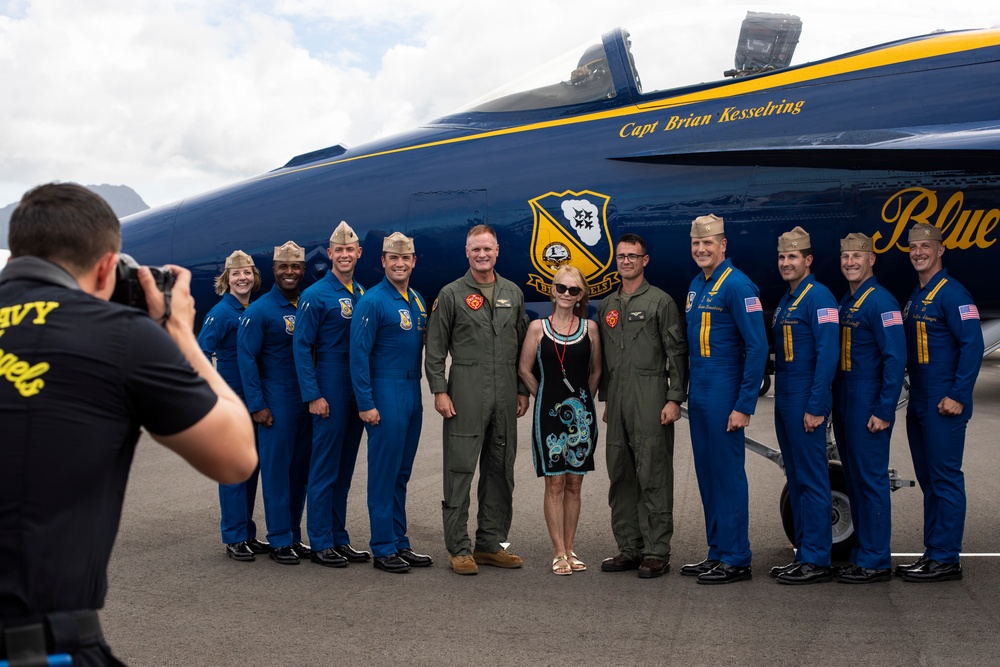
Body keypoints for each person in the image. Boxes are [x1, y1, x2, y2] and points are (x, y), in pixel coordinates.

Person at [0, 183, 255, 666]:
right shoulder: (118, 336)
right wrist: (178, 331)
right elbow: (236, 456)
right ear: (105, 269)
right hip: (38, 645)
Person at [424, 224, 529, 576]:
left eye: (487, 248)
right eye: (475, 249)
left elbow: (521, 348)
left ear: (497, 250)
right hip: (466, 390)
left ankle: (492, 544)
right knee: (460, 470)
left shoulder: (513, 293)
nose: (482, 254)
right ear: (466, 253)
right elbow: (435, 348)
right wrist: (439, 390)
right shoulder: (451, 294)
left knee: (500, 471)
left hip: (504, 392)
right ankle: (459, 548)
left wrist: (521, 389)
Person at [597, 234, 688, 579]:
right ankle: (629, 547)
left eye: (633, 256)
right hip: (618, 396)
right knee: (620, 474)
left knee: (653, 473)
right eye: (621, 256)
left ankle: (656, 551)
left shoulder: (660, 302)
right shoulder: (608, 305)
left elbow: (676, 351)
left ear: (645, 260)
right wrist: (607, 398)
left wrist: (674, 398)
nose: (626, 262)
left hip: (651, 393)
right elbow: (605, 357)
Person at [682, 214, 767, 585]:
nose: (702, 249)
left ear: (723, 245)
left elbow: (758, 347)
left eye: (709, 243)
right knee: (707, 475)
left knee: (729, 476)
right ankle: (716, 551)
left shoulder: (739, 286)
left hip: (724, 389)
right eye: (696, 244)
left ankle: (738, 557)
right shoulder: (696, 285)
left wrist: (745, 404)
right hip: (699, 391)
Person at [898, 223, 984, 583]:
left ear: (940, 249)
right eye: (914, 247)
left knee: (945, 478)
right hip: (919, 398)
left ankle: (946, 558)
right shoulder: (916, 296)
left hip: (943, 400)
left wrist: (958, 395)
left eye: (925, 247)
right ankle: (933, 552)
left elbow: (973, 345)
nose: (919, 252)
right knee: (930, 480)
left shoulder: (954, 294)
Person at [350, 232, 432, 574]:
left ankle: (399, 540)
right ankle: (382, 546)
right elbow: (358, 354)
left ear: (414, 261)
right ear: (383, 262)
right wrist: (366, 403)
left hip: (412, 393)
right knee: (384, 474)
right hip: (385, 392)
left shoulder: (416, 299)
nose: (400, 263)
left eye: (406, 258)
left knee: (401, 473)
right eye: (392, 258)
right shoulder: (372, 301)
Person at [293, 221, 370, 568]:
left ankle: (339, 538)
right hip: (329, 384)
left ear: (358, 254)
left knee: (344, 468)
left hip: (355, 388)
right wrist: (313, 394)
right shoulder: (314, 295)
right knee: (324, 468)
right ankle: (320, 541)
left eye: (349, 250)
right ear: (329, 253)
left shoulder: (363, 293)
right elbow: (301, 346)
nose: (343, 255)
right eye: (337, 250)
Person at [832, 232, 906, 584]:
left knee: (871, 481)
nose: (850, 262)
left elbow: (895, 360)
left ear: (871, 259)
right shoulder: (850, 301)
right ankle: (864, 554)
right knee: (857, 480)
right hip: (848, 398)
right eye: (846, 256)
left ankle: (876, 560)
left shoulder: (882, 302)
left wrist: (884, 409)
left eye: (857, 256)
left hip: (868, 399)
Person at [518, 266, 601, 575]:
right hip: (548, 416)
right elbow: (524, 368)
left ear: (581, 295)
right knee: (554, 482)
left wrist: (584, 403)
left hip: (582, 417)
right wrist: (543, 396)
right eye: (562, 288)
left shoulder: (590, 328)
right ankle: (558, 552)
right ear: (552, 291)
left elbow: (596, 371)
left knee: (575, 483)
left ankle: (570, 547)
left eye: (574, 290)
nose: (567, 294)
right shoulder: (537, 328)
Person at [769, 227, 840, 585]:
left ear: (808, 260)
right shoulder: (787, 300)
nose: (786, 262)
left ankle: (818, 559)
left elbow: (828, 356)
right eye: (782, 257)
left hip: (805, 400)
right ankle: (803, 552)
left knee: (813, 480)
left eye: (792, 256)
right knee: (796, 479)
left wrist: (816, 406)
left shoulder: (819, 297)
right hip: (785, 398)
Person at [238, 241, 312, 565]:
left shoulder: (306, 307)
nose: (290, 272)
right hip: (276, 398)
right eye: (284, 267)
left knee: (299, 473)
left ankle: (293, 535)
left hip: (305, 398)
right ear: (274, 271)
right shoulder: (259, 311)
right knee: (277, 473)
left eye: (295, 267)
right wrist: (257, 404)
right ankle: (279, 539)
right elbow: (246, 359)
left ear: (303, 270)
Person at [198, 249, 269, 562]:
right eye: (236, 274)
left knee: (249, 469)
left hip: (253, 399)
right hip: (231, 401)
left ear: (254, 278)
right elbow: (200, 355)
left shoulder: (251, 310)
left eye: (247, 273)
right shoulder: (221, 313)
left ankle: (247, 532)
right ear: (226, 279)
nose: (243, 278)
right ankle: (234, 537)